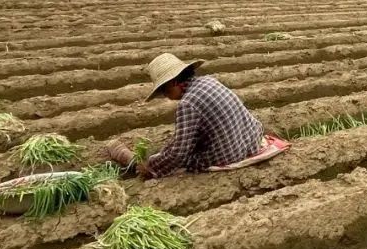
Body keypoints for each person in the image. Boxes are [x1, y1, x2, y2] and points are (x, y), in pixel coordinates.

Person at [104, 53, 264, 178]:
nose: (165, 96)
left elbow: (178, 154)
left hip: (229, 155)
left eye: (164, 91)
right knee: (181, 144)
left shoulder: (188, 103)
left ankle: (135, 164)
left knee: (181, 160)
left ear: (174, 82)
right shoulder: (209, 81)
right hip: (252, 139)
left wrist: (151, 168)